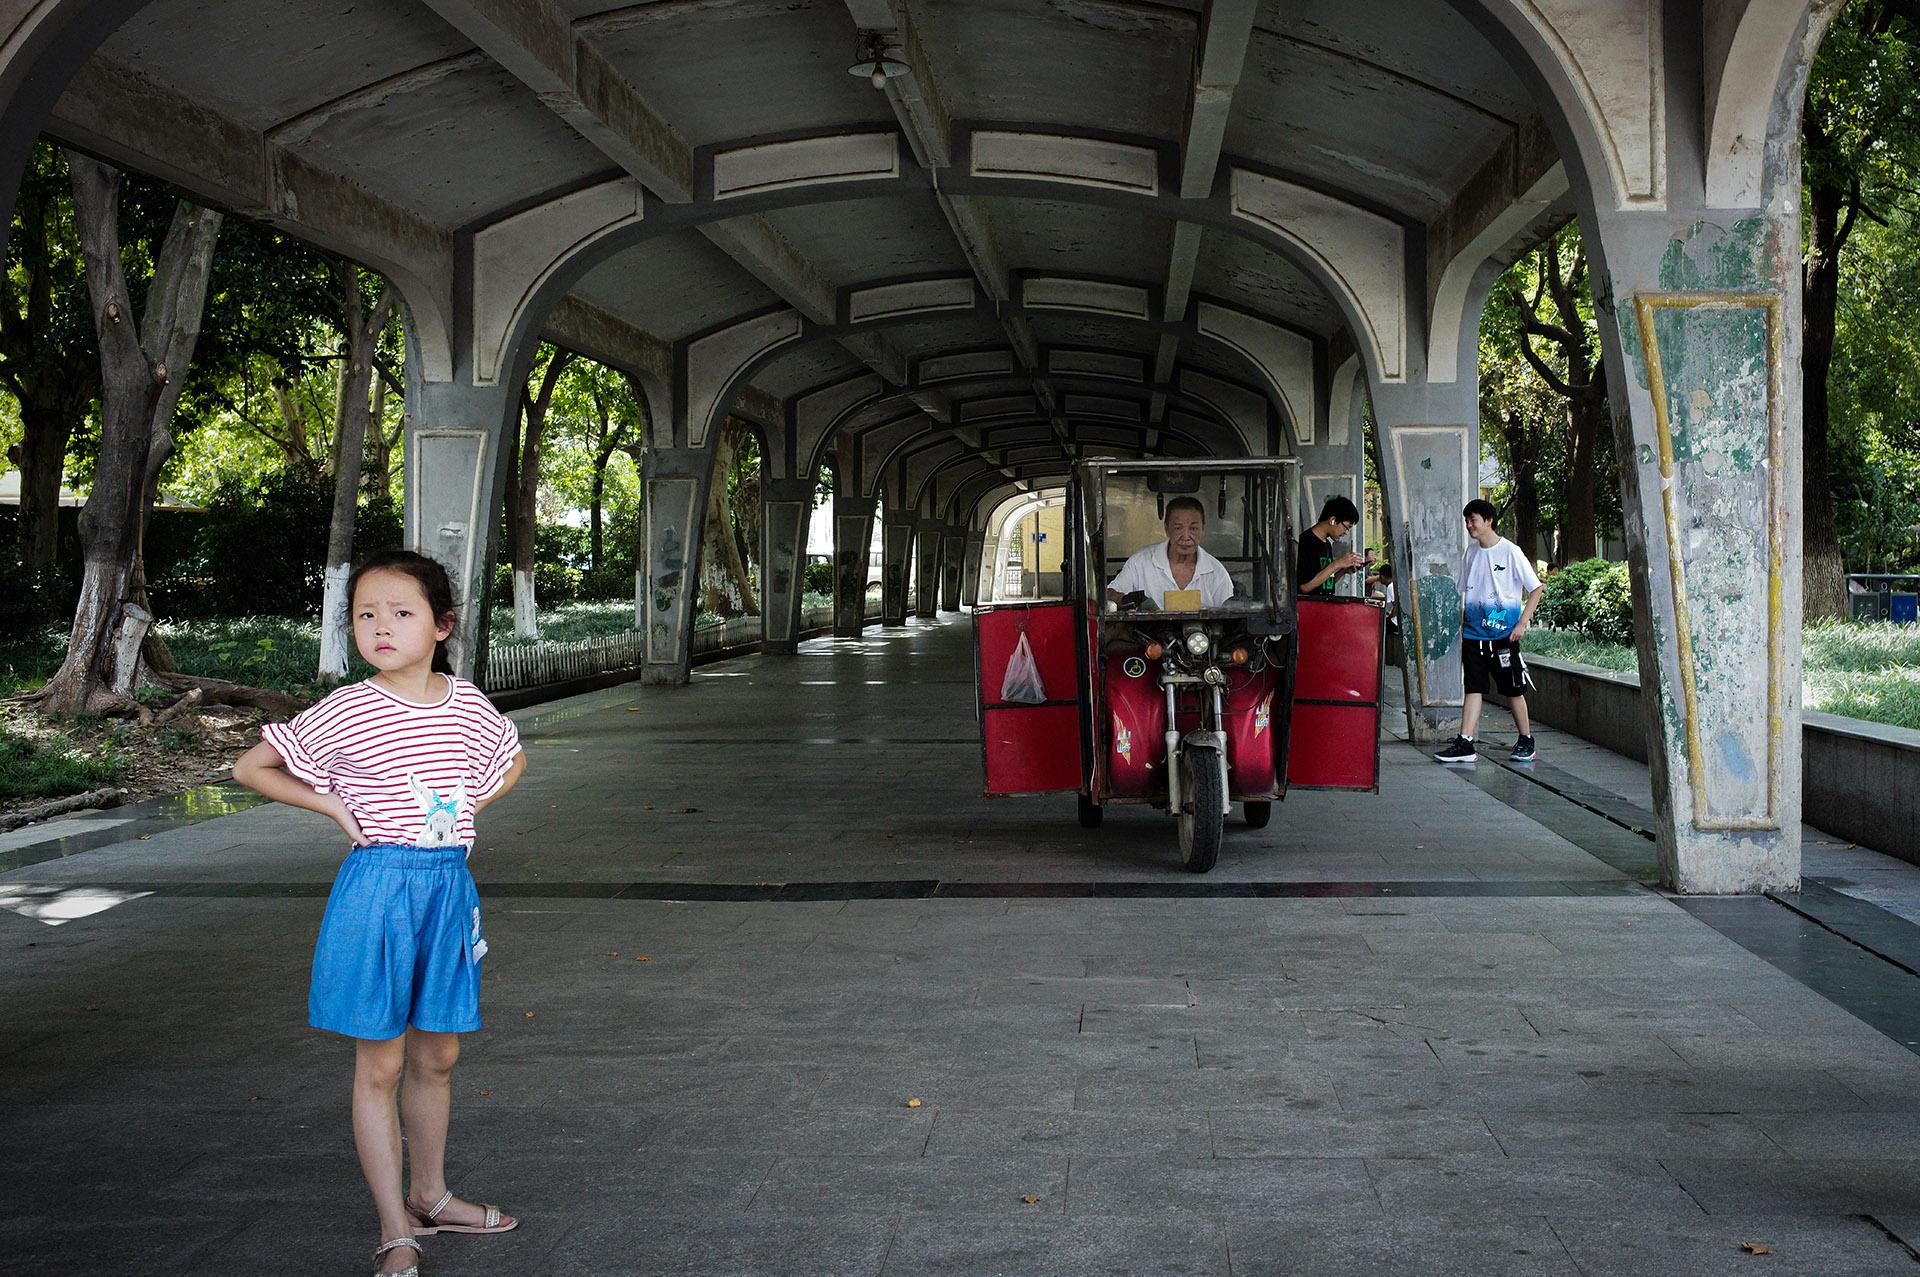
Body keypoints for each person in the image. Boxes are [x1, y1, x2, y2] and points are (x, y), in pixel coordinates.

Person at [233, 550, 528, 1276]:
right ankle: (394, 1224)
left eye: (401, 612)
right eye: (366, 614)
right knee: (382, 1062)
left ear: (441, 625)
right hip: (378, 889)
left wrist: (468, 808)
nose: (381, 626)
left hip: (447, 889)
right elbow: (252, 767)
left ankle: (431, 1194)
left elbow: (511, 757)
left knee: (440, 1053)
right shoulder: (348, 708)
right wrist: (331, 802)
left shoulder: (466, 703)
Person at [1433, 500, 1545, 764]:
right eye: (1467, 521)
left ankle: (1526, 740)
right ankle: (1466, 743)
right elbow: (1468, 593)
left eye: (1473, 520)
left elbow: (1536, 589)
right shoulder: (1470, 554)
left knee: (1512, 689)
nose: (1469, 525)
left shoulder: (1510, 552)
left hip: (1504, 636)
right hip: (1473, 635)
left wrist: (1521, 624)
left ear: (1489, 520)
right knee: (1473, 687)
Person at [1106, 495, 1234, 609]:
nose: (1186, 536)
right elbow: (1110, 596)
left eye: (1194, 528)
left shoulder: (1216, 572)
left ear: (1203, 530)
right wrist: (1130, 600)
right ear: (1166, 529)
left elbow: (1230, 612)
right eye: (1178, 528)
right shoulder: (1140, 563)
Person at [1297, 495, 1368, 597]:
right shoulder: (1306, 541)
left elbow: (1325, 584)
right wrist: (1337, 563)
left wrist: (1343, 570)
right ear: (1333, 520)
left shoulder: (1327, 545)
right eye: (1347, 527)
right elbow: (1305, 587)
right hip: (1310, 608)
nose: (1346, 533)